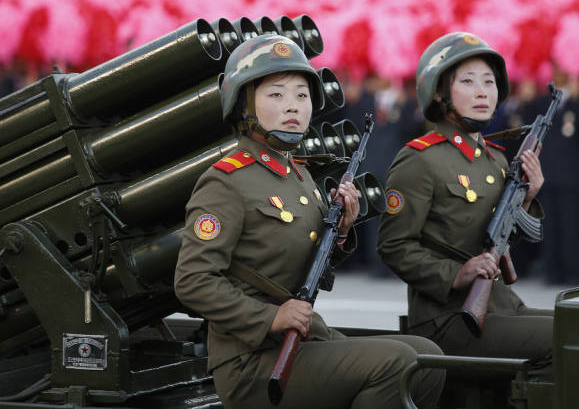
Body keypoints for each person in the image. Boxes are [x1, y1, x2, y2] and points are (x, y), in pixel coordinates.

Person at [175, 34, 444, 409]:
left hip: (301, 340)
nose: (293, 106)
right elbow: (192, 280)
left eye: (302, 96)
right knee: (399, 364)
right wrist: (270, 317)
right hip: (252, 361)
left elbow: (306, 267)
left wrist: (342, 232)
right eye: (277, 95)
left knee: (427, 356)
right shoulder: (226, 181)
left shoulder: (297, 176)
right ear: (243, 105)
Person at [377, 32, 553, 373]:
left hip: (501, 305)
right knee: (568, 339)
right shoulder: (419, 160)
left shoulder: (495, 160)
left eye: (489, 81)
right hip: (447, 317)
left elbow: (499, 239)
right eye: (469, 81)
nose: (483, 91)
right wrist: (456, 274)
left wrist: (528, 198)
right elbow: (393, 246)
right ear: (440, 92)